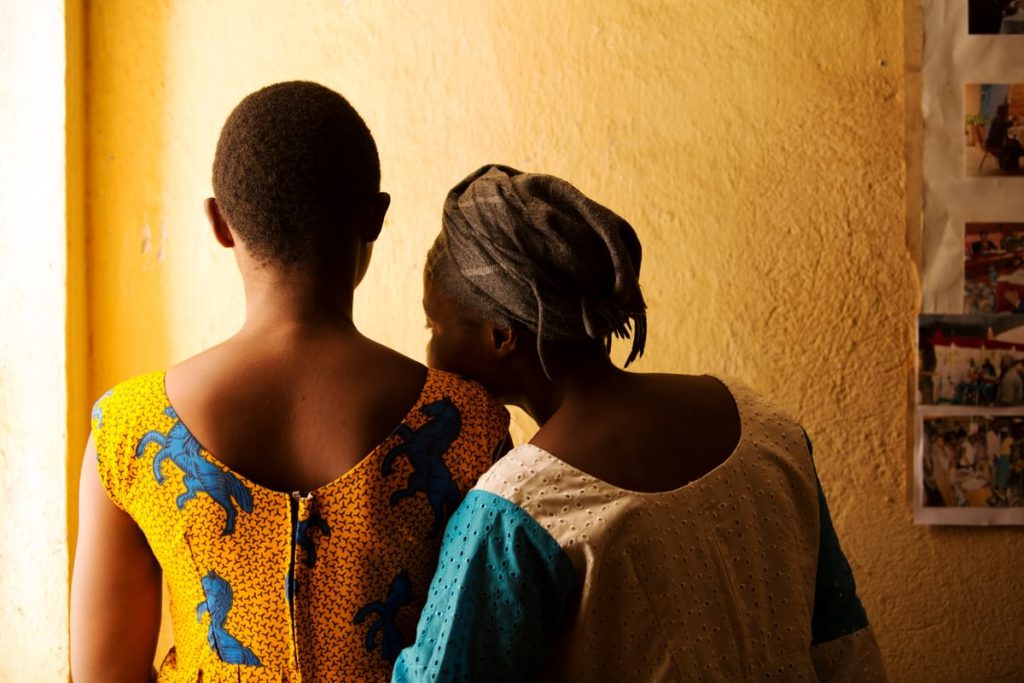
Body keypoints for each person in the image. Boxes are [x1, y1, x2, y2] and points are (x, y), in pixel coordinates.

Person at [70, 83, 510, 681]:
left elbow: (103, 674)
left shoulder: (128, 431)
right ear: (375, 219)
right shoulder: (465, 423)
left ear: (221, 223)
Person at [391, 165, 886, 681]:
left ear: (500, 334)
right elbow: (843, 647)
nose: (428, 352)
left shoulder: (511, 514)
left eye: (434, 325)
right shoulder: (769, 430)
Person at [985, 104, 1022, 172]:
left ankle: (1009, 163)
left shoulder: (998, 118)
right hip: (994, 143)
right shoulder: (998, 119)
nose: (1007, 112)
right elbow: (1005, 126)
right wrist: (1012, 120)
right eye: (1006, 111)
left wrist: (1011, 121)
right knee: (1016, 145)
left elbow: (1005, 126)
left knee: (1015, 143)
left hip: (994, 141)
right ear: (1003, 112)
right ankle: (1011, 165)